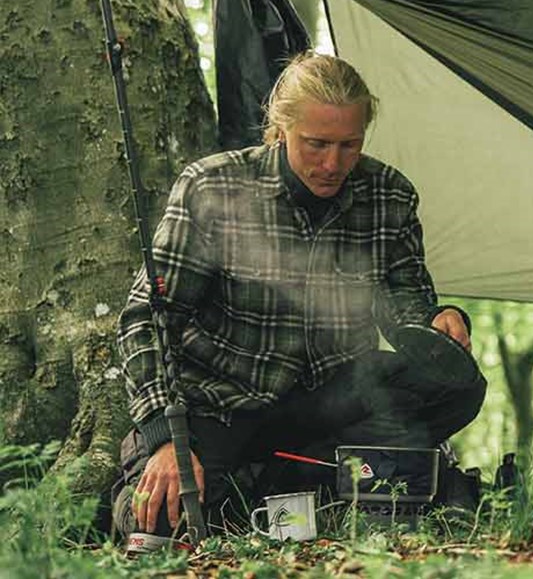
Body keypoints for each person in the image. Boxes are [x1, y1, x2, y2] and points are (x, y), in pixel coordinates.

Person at [112, 52, 485, 538]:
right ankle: (283, 492)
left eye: (349, 145)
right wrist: (166, 439)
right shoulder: (212, 186)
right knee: (161, 520)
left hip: (332, 400)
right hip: (221, 401)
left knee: (457, 384)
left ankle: (309, 482)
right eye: (316, 144)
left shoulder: (389, 195)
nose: (333, 164)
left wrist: (442, 321)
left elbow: (407, 308)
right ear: (281, 128)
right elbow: (145, 319)